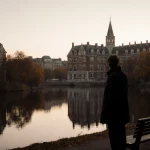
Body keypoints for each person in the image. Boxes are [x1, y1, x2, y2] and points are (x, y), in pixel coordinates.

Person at [100, 55, 130, 150]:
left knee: (114, 139)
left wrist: (104, 115)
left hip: (113, 115)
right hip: (122, 113)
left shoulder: (112, 77)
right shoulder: (123, 76)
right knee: (121, 136)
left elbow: (108, 99)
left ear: (109, 64)